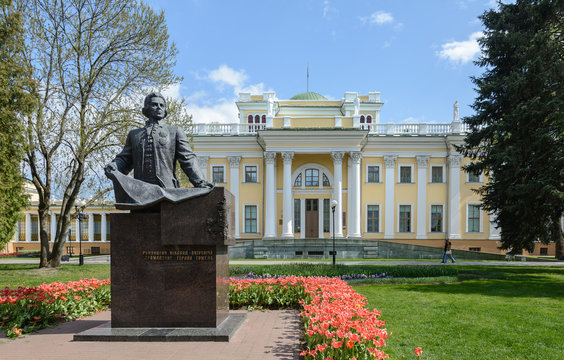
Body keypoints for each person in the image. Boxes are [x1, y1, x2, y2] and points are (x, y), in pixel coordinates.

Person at [105, 92, 212, 189]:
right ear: (146, 109)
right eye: (154, 105)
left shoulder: (174, 131)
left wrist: (200, 181)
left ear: (165, 110)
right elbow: (125, 159)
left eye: (162, 105)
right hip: (140, 190)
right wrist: (114, 165)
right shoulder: (134, 134)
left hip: (166, 188)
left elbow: (188, 158)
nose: (159, 108)